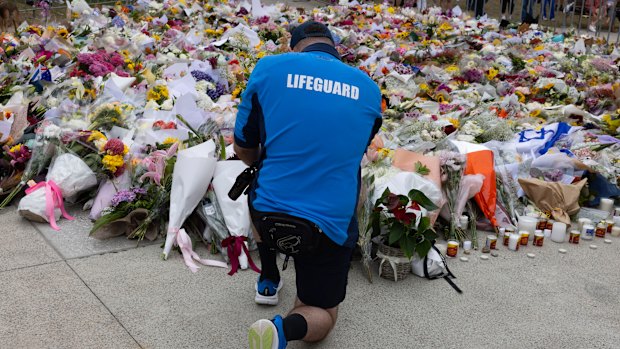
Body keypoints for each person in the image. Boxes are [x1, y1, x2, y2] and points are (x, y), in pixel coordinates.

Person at [233, 21, 382, 349]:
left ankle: (269, 277)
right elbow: (354, 153)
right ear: (334, 47)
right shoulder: (368, 88)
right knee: (323, 312)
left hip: (266, 215)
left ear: (294, 47)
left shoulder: (269, 69)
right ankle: (283, 331)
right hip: (328, 222)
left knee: (265, 180)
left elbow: (243, 149)